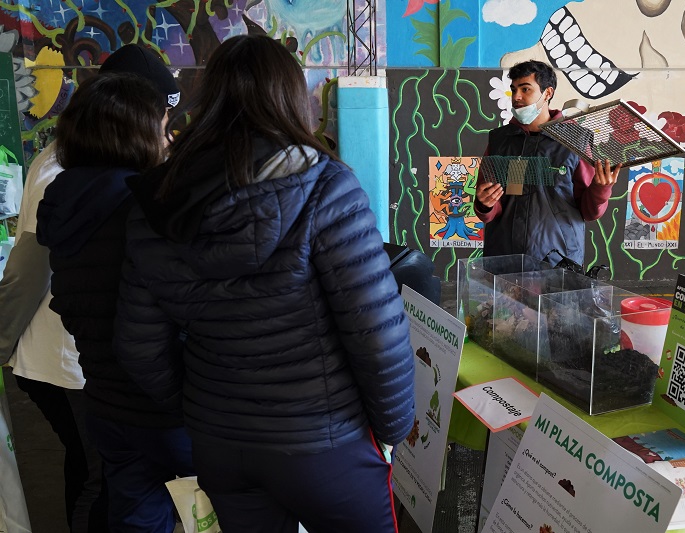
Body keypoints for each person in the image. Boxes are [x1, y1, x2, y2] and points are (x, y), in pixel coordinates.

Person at [113, 35, 415, 533]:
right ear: (291, 98)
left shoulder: (157, 200)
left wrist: (200, 409)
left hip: (221, 446)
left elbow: (138, 345)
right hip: (326, 443)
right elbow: (377, 333)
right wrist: (394, 427)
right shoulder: (325, 186)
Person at [0, 43, 181, 532]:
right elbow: (28, 271)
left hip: (87, 361)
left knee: (99, 473)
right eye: (158, 118)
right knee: (98, 481)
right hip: (65, 363)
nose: (165, 133)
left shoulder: (91, 170)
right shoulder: (62, 174)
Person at [474, 60, 620, 266]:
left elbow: (589, 211)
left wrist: (600, 189)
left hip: (557, 260)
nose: (516, 97)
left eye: (525, 89)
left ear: (547, 93)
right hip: (504, 257)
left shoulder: (575, 140)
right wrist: (485, 204)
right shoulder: (500, 140)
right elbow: (495, 205)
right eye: (514, 89)